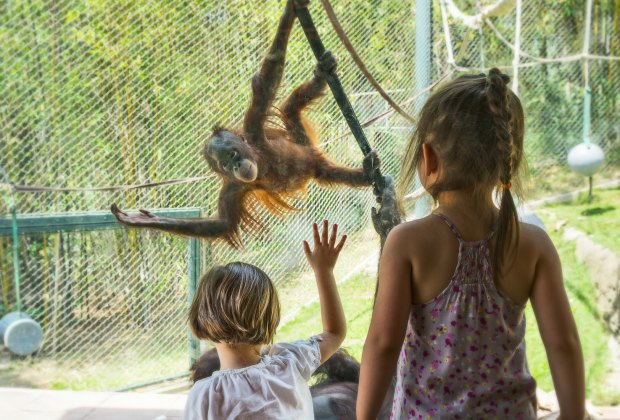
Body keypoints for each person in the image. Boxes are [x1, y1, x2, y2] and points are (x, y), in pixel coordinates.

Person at [357, 68, 586, 420]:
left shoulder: (408, 242)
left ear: (428, 159)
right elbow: (564, 345)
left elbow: (383, 343)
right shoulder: (533, 244)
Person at [183, 220, 347, 420]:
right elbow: (334, 333)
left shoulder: (205, 396)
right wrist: (324, 271)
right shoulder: (291, 363)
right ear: (269, 317)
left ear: (201, 317)